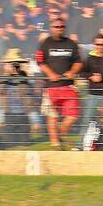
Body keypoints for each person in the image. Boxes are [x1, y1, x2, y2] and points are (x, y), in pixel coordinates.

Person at [35, 17, 83, 149]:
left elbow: (78, 62)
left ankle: (61, 133)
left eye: (61, 26)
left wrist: (72, 72)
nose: (59, 29)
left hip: (68, 85)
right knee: (52, 116)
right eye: (56, 26)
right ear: (51, 28)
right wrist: (50, 74)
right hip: (51, 87)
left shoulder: (71, 43)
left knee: (73, 115)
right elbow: (40, 61)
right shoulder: (45, 43)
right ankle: (55, 144)